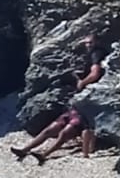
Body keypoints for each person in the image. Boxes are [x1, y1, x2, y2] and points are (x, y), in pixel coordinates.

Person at [11, 36, 108, 164]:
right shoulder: (91, 55)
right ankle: (25, 149)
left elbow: (95, 73)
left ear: (97, 42)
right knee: (49, 130)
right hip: (76, 104)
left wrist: (82, 82)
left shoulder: (97, 54)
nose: (88, 45)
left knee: (64, 133)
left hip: (85, 106)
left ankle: (44, 154)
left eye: (90, 43)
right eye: (86, 43)